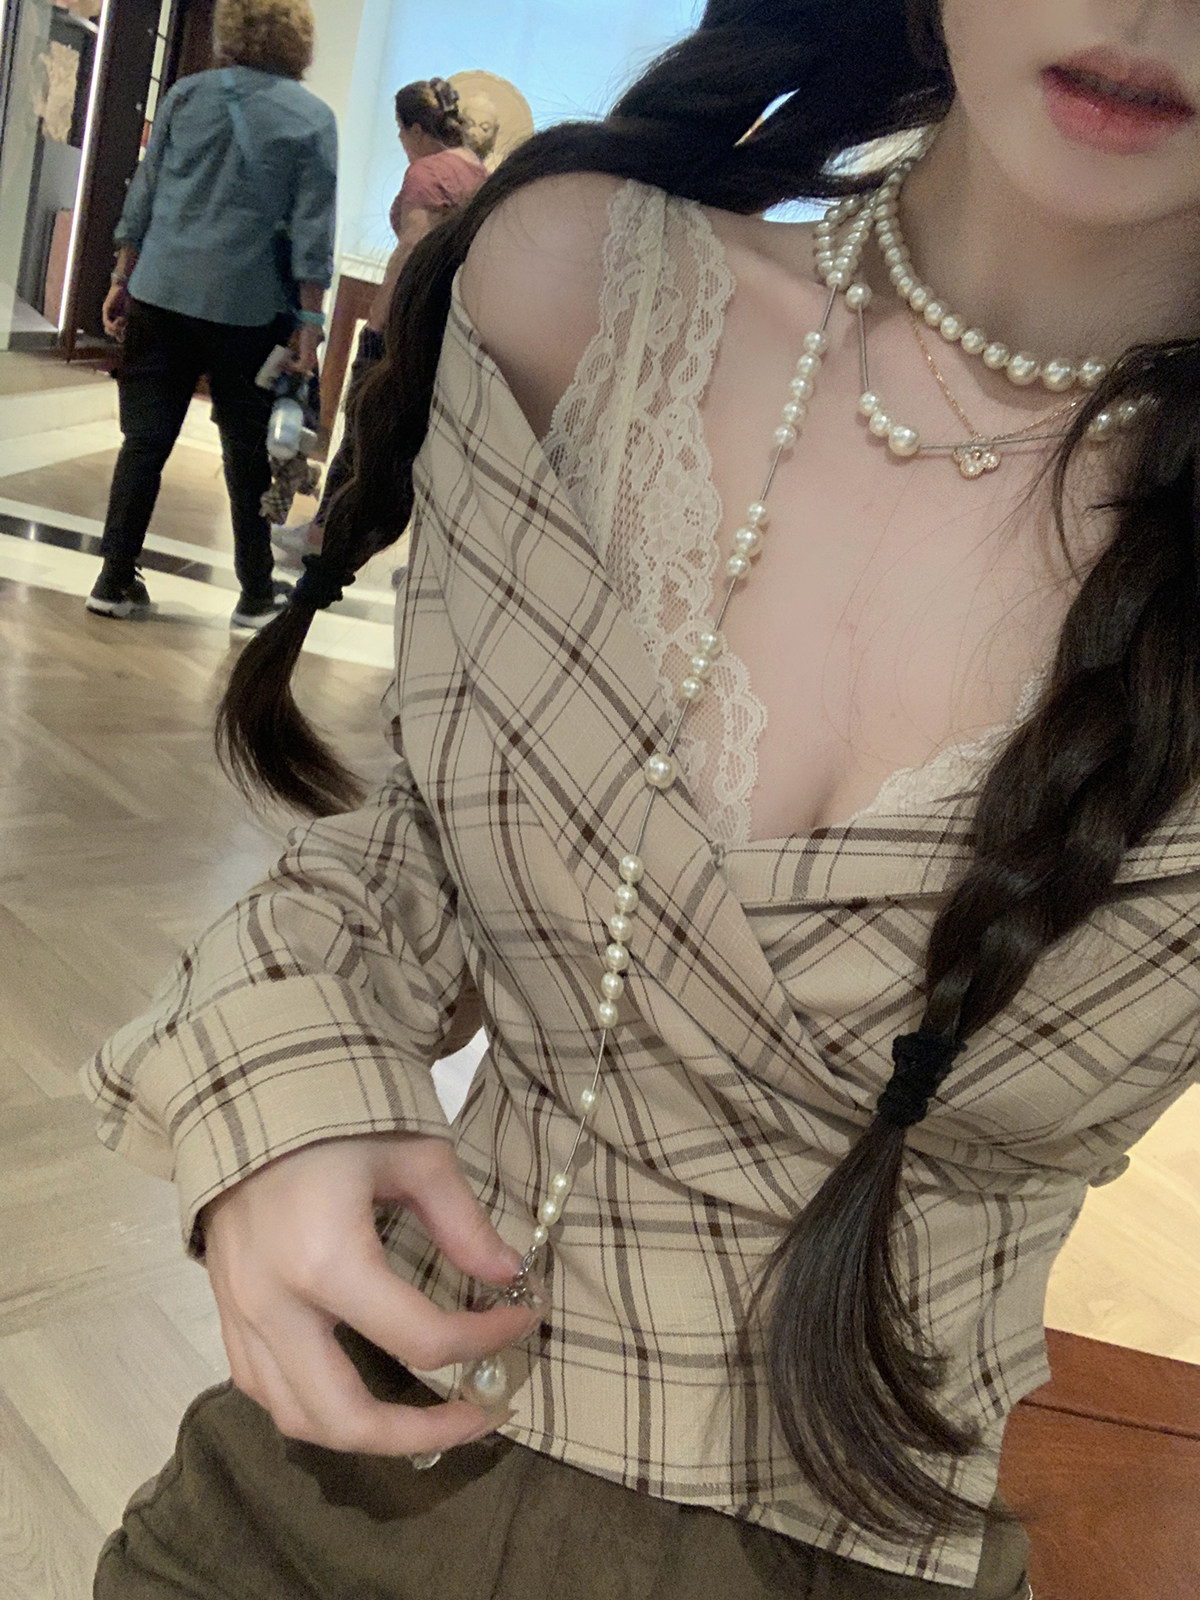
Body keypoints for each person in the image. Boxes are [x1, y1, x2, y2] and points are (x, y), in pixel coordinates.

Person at [86, 2, 1200, 1596]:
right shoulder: (590, 287)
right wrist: (279, 1072)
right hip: (317, 1495)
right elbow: (431, 828)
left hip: (844, 1541)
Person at [86, 0, 337, 630]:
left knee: (144, 441)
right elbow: (312, 230)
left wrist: (121, 275)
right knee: (246, 451)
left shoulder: (187, 96)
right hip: (247, 306)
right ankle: (254, 592)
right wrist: (310, 325)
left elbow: (145, 192)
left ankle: (113, 579)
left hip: (160, 291)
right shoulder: (312, 119)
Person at [273, 77, 487, 569]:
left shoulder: (426, 173)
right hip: (449, 323)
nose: (401, 140)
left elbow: (412, 249)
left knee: (361, 424)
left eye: (400, 129)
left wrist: (379, 318)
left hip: (404, 321)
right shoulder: (480, 174)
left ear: (415, 128)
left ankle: (326, 532)